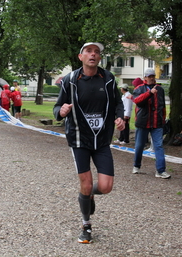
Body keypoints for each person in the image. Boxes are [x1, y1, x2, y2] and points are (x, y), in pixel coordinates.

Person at [53, 42, 125, 244]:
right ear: (81, 56)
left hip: (101, 140)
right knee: (85, 181)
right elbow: (58, 106)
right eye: (89, 51)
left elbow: (118, 102)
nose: (93, 54)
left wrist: (120, 117)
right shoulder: (70, 80)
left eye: (97, 52)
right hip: (79, 139)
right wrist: (61, 112)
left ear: (99, 58)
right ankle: (86, 226)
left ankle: (87, 195)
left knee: (105, 186)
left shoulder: (108, 79)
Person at [132, 68, 171, 178]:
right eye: (149, 76)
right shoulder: (139, 88)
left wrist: (163, 119)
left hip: (157, 123)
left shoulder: (160, 89)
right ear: (145, 77)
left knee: (158, 146)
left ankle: (160, 171)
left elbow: (162, 106)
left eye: (153, 76)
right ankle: (136, 165)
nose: (151, 78)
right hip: (143, 123)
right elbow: (137, 101)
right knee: (139, 146)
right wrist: (149, 93)